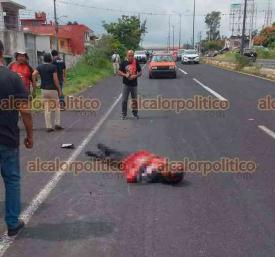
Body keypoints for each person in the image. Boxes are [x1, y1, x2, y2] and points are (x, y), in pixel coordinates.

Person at [0, 40, 33, 236]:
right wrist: (30, 135)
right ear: (3, 53)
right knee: (11, 180)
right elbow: (25, 111)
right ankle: (12, 223)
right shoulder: (12, 78)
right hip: (7, 138)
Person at [86, 144, 184, 184]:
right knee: (116, 152)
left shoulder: (152, 176)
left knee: (111, 159)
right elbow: (155, 158)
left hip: (127, 163)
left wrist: (146, 162)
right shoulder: (163, 165)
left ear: (168, 176)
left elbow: (132, 178)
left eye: (172, 168)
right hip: (134, 157)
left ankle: (97, 156)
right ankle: (106, 150)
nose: (171, 165)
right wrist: (155, 158)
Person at [32, 53, 63, 132]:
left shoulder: (39, 67)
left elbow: (33, 74)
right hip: (53, 89)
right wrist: (59, 90)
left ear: (43, 59)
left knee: (47, 108)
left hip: (44, 90)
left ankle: (48, 127)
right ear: (51, 59)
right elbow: (55, 80)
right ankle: (57, 124)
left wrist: (35, 85)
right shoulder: (53, 67)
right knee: (57, 107)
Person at [118, 50, 142, 120]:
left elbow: (140, 72)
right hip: (126, 84)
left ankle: (135, 114)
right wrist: (125, 75)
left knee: (134, 100)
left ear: (133, 56)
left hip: (134, 84)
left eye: (132, 55)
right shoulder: (124, 62)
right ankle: (124, 114)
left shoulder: (136, 62)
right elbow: (119, 72)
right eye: (129, 55)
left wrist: (136, 76)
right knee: (124, 100)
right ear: (127, 55)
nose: (131, 57)